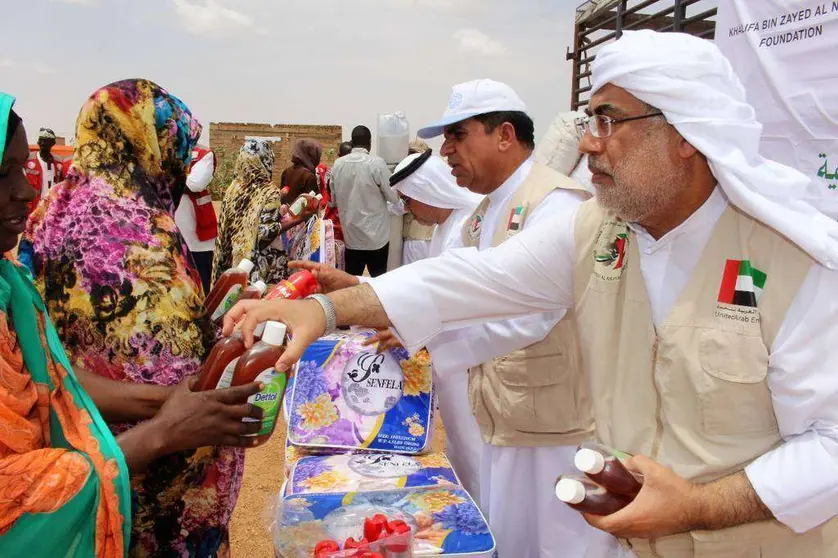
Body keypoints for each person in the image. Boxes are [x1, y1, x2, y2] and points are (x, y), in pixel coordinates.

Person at [228, 31, 838, 557]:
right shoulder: (598, 231)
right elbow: (472, 279)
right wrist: (325, 307)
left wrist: (697, 507)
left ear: (685, 134)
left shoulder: (795, 261)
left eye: (608, 122)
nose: (589, 144)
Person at [0, 94, 262, 557]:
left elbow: (48, 369)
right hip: (127, 486)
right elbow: (15, 500)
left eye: (21, 169)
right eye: (4, 173)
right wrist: (163, 429)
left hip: (115, 460)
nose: (24, 190)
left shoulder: (32, 240)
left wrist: (172, 403)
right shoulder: (142, 226)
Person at [214, 139, 290, 285]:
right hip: (260, 268)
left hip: (235, 261)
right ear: (266, 160)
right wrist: (298, 219)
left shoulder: (233, 190)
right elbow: (265, 234)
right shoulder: (269, 191)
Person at [330, 125, 398, 277]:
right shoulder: (377, 163)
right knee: (378, 285)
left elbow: (332, 201)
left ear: (352, 142)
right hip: (376, 239)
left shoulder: (338, 165)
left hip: (351, 237)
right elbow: (393, 197)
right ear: (370, 142)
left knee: (351, 286)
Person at [175, 145, 217, 293]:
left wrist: (170, 180)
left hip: (197, 238)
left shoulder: (204, 154)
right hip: (172, 231)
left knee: (200, 284)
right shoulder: (161, 150)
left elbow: (196, 184)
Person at [401, 139, 436, 265]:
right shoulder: (434, 176)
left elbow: (401, 207)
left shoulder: (416, 179)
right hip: (429, 237)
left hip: (416, 239)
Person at [24, 127, 69, 210]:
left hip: (52, 207)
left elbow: (63, 184)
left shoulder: (58, 163)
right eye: (40, 140)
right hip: (33, 207)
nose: (42, 143)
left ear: (52, 143)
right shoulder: (28, 160)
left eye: (45, 140)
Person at [281, 138, 321, 203]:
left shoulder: (286, 171)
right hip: (302, 213)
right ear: (312, 155)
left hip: (286, 212)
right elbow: (312, 204)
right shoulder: (309, 176)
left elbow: (283, 198)